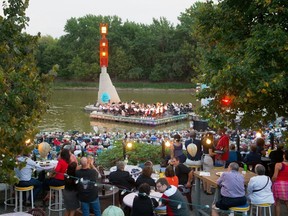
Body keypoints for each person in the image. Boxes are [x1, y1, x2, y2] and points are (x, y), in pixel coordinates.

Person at [272, 150, 288, 216]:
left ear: (284, 156)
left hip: (279, 185)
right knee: (287, 202)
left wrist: (271, 180)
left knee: (277, 203)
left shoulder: (278, 165)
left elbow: (275, 177)